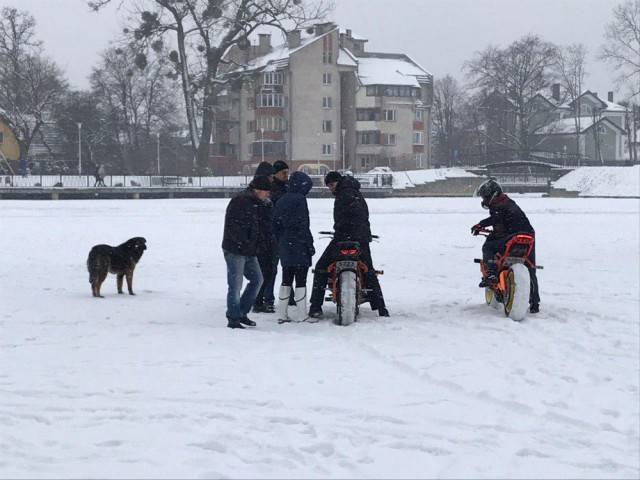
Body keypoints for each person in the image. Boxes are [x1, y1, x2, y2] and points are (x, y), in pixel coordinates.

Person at [309, 171, 389, 318]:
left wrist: (340, 233)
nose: (331, 189)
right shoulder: (356, 193)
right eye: (329, 186)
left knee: (321, 268)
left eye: (332, 185)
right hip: (362, 239)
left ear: (338, 182)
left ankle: (315, 306)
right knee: (369, 271)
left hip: (344, 238)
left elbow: (344, 220)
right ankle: (381, 307)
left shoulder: (343, 195)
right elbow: (362, 217)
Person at [471, 178, 540, 313]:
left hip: (512, 236)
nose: (484, 200)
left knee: (488, 246)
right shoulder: (509, 203)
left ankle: (491, 274)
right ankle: (535, 302)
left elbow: (496, 219)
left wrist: (480, 225)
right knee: (530, 267)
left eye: (485, 197)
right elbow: (503, 223)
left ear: (493, 195)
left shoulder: (499, 205)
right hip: (529, 236)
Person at [222, 175, 271, 329]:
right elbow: (235, 227)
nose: (267, 195)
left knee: (257, 280)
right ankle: (233, 318)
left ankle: (241, 312)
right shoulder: (241, 202)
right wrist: (245, 243)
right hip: (235, 249)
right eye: (266, 192)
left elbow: (258, 227)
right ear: (257, 190)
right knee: (235, 285)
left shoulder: (256, 203)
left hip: (249, 250)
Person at [273, 171, 315, 323]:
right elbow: (304, 225)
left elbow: (275, 224)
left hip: (285, 244)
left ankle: (282, 314)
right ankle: (302, 314)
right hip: (300, 245)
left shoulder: (281, 199)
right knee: (301, 280)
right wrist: (310, 245)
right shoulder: (300, 200)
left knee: (286, 279)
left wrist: (281, 242)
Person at [252, 162, 278, 313]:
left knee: (267, 272)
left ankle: (258, 299)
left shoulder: (265, 195)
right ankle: (257, 300)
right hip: (262, 240)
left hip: (266, 239)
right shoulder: (258, 197)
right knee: (264, 272)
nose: (272, 179)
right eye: (271, 176)